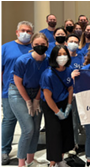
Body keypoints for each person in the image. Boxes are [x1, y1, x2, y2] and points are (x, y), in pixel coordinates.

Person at [8, 33, 50, 167]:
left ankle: (30, 160)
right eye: (36, 45)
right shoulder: (22, 60)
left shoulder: (49, 61)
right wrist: (28, 101)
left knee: (36, 128)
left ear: (48, 45)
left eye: (43, 45)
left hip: (37, 92)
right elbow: (17, 82)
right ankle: (21, 163)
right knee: (28, 128)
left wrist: (36, 100)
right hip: (18, 92)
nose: (40, 47)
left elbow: (44, 82)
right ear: (32, 45)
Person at [2, 21, 33, 165]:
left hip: (30, 90)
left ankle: (27, 153)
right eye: (23, 30)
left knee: (28, 125)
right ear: (17, 32)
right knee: (9, 120)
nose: (25, 33)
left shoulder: (33, 48)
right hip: (10, 90)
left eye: (28, 31)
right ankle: (4, 151)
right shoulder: (6, 47)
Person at [40, 45, 74, 167]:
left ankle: (61, 158)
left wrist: (69, 105)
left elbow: (70, 88)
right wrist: (57, 112)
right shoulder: (47, 74)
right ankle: (53, 162)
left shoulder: (69, 70)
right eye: (59, 55)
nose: (62, 57)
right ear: (54, 57)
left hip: (64, 102)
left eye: (64, 54)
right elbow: (47, 96)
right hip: (51, 105)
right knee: (54, 132)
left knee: (66, 131)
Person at [64, 34, 85, 155]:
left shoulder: (81, 57)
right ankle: (71, 144)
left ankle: (75, 144)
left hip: (79, 92)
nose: (73, 43)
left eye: (76, 41)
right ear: (66, 43)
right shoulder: (62, 58)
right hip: (65, 93)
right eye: (71, 41)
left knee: (75, 120)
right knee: (70, 120)